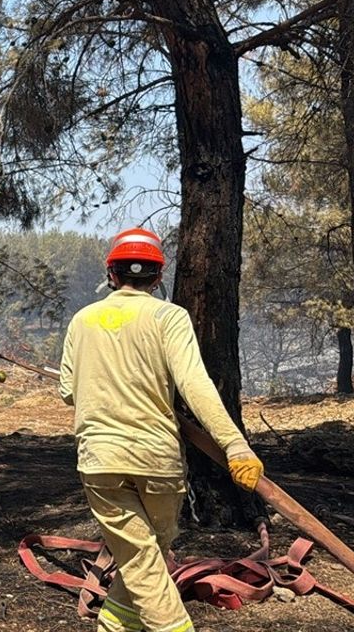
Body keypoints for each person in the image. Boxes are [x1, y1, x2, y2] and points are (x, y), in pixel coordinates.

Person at [59, 228, 264, 632]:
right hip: (158, 461)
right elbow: (194, 383)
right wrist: (236, 446)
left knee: (141, 559)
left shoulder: (82, 321)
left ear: (111, 273)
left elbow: (68, 391)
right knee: (145, 558)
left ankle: (119, 624)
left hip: (101, 461)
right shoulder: (169, 317)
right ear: (157, 277)